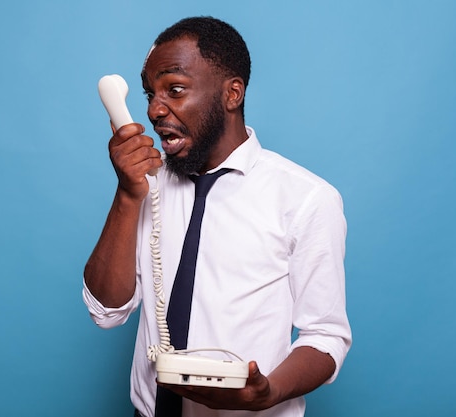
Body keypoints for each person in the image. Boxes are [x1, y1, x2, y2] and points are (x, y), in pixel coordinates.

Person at [83, 16, 351, 417]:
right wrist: (126, 194)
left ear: (232, 94)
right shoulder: (146, 186)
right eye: (149, 94)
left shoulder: (307, 198)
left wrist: (270, 390)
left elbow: (326, 335)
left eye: (174, 89)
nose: (155, 110)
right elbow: (106, 311)